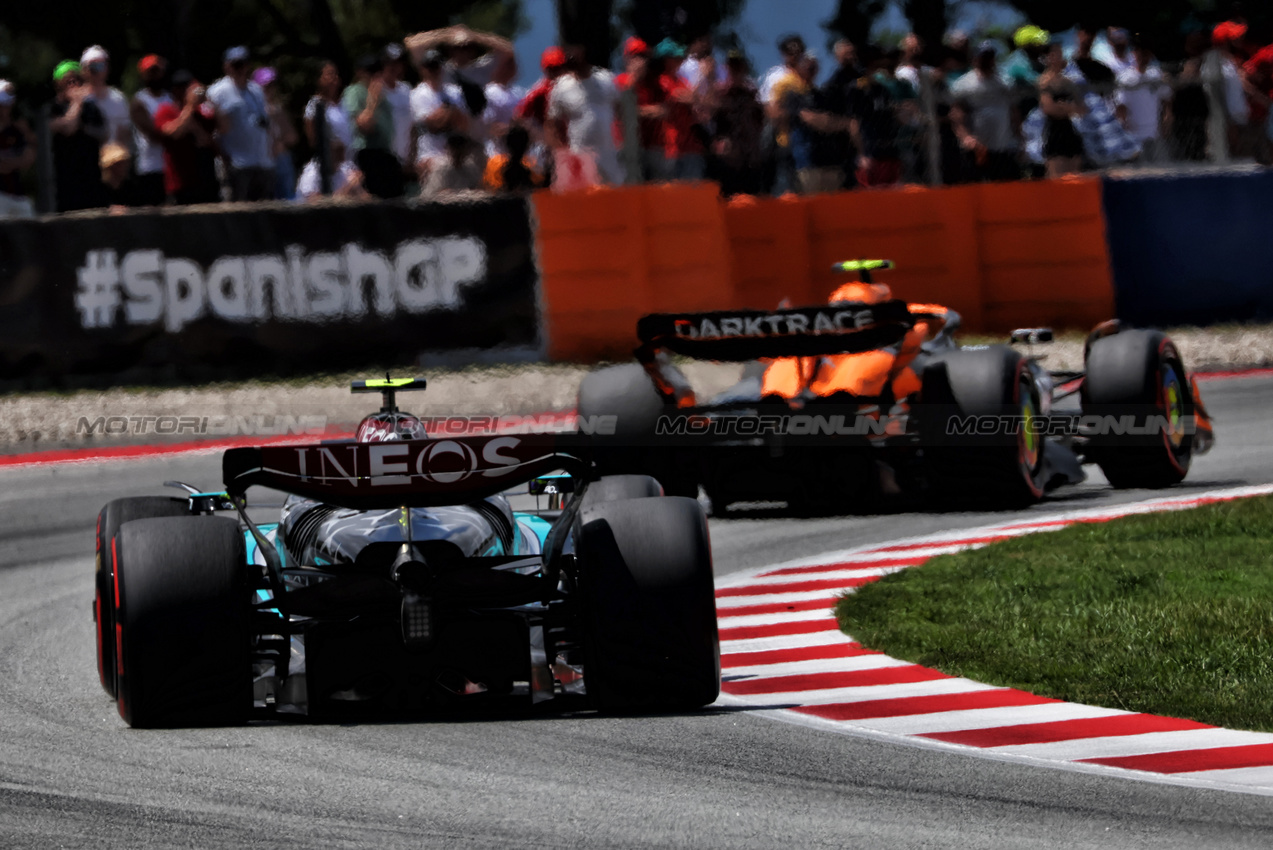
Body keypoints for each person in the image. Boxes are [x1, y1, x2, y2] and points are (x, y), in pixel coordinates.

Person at [546, 43, 622, 186]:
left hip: (609, 152)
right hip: (580, 154)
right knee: (586, 196)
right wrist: (561, 152)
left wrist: (622, 140)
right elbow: (551, 124)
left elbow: (621, 110)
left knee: (614, 195)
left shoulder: (606, 79)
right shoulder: (561, 87)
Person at [207, 46, 274, 201]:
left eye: (243, 64)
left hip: (261, 161)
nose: (240, 69)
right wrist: (223, 156)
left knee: (263, 211)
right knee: (239, 211)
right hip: (237, 163)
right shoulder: (217, 92)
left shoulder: (256, 90)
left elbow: (264, 121)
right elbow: (213, 128)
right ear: (227, 66)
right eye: (236, 65)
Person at [950, 42, 1020, 181]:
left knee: (1004, 185)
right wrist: (965, 137)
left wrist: (1019, 137)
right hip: (978, 146)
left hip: (1003, 143)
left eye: (990, 57)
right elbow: (957, 114)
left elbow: (1014, 111)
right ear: (975, 59)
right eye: (983, 57)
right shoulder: (964, 84)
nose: (987, 61)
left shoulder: (1005, 81)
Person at [49, 60, 108, 212]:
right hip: (66, 181)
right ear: (58, 84)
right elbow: (68, 128)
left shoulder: (90, 107)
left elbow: (104, 134)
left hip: (92, 178)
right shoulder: (54, 108)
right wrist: (77, 103)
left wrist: (85, 129)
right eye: (68, 81)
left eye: (76, 79)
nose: (73, 83)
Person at [154, 70, 220, 205]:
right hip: (180, 184)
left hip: (205, 181)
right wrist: (190, 106)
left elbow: (209, 142)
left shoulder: (202, 112)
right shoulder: (166, 110)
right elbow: (173, 133)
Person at [343, 54, 400, 198]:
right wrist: (373, 100)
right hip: (367, 153)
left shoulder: (384, 94)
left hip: (385, 153)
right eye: (371, 71)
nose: (375, 76)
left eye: (378, 71)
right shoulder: (354, 92)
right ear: (360, 73)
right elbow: (364, 125)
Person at [409, 48, 468, 185]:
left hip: (455, 157)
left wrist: (443, 113)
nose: (434, 70)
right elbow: (433, 124)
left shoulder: (455, 92)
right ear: (423, 68)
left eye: (436, 66)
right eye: (430, 66)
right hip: (429, 157)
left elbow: (464, 124)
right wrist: (451, 113)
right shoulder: (418, 94)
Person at [711, 51, 765, 195]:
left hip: (750, 159)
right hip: (728, 159)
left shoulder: (752, 95)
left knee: (751, 201)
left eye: (738, 66)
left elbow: (760, 124)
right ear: (726, 68)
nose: (735, 71)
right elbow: (708, 121)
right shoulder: (719, 94)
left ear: (744, 68)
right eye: (731, 67)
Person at [1115, 35, 1171, 164]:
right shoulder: (1126, 78)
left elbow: (1166, 98)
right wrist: (1124, 127)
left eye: (1145, 52)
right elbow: (1121, 105)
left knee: (1160, 167)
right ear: (1133, 53)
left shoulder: (1156, 75)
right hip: (1135, 134)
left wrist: (1167, 118)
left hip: (1154, 132)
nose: (1141, 55)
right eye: (1138, 51)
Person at [129, 55, 173, 206]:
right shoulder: (139, 101)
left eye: (157, 71)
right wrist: (175, 130)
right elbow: (152, 133)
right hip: (149, 167)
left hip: (170, 166)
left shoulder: (170, 98)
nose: (154, 75)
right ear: (143, 74)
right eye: (150, 72)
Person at [1037, 42, 1086, 176]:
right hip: (1054, 132)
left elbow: (1082, 108)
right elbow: (1048, 108)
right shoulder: (1044, 82)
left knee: (1075, 176)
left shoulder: (1068, 82)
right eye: (1053, 55)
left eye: (1059, 54)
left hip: (1069, 131)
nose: (1057, 58)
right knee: (1057, 177)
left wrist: (1064, 108)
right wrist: (1068, 108)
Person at [253, 67, 298, 199]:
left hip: (279, 160)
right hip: (260, 163)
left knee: (286, 199)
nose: (270, 90)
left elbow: (293, 137)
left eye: (272, 85)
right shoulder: (250, 109)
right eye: (266, 86)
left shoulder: (277, 109)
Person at [81, 45, 130, 146]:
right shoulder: (78, 99)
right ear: (84, 70)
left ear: (107, 69)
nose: (96, 71)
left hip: (112, 156)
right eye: (92, 67)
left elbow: (124, 132)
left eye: (100, 66)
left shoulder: (118, 99)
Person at [0, 80, 36, 218]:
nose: (4, 108)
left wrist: (10, 163)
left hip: (19, 194)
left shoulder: (18, 129)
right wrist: (16, 162)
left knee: (31, 233)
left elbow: (29, 158)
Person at [379, 43, 415, 181]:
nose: (394, 67)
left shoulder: (406, 89)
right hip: (384, 160)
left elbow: (413, 126)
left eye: (398, 63)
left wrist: (411, 156)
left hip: (406, 160)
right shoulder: (377, 90)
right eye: (390, 63)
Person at [296, 137, 368, 201]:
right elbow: (318, 207)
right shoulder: (311, 174)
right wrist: (348, 187)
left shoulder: (345, 168)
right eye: (335, 151)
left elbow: (366, 200)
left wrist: (357, 187)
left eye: (341, 151)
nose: (340, 156)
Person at [482, 53, 524, 158]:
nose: (513, 67)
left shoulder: (519, 92)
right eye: (508, 64)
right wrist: (511, 129)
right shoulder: (489, 92)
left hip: (517, 155)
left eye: (513, 64)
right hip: (496, 154)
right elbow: (487, 127)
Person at [304, 61, 353, 150]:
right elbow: (312, 140)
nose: (334, 77)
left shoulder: (345, 101)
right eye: (330, 74)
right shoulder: (314, 105)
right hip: (332, 159)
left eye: (336, 74)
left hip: (352, 158)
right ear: (319, 79)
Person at [420, 132, 485, 197]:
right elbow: (431, 194)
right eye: (455, 149)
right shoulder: (440, 168)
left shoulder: (471, 168)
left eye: (461, 149)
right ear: (449, 149)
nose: (458, 153)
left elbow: (477, 189)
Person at [483, 123, 543, 192]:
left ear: (506, 144)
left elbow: (487, 188)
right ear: (527, 146)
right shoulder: (532, 166)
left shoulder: (494, 164)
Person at [100, 142, 142, 209]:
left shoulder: (131, 187)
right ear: (110, 166)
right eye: (119, 164)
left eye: (125, 163)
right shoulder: (99, 189)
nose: (124, 167)